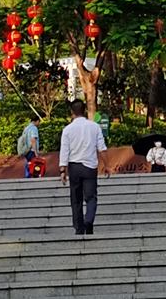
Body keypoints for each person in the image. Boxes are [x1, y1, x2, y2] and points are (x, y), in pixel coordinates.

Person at [59, 100, 110, 235]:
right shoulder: (94, 127)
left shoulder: (67, 130)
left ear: (72, 112)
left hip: (74, 167)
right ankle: (88, 221)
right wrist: (107, 165)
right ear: (85, 110)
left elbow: (64, 150)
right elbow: (102, 148)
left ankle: (78, 227)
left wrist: (62, 170)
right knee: (91, 197)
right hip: (90, 167)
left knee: (76, 199)